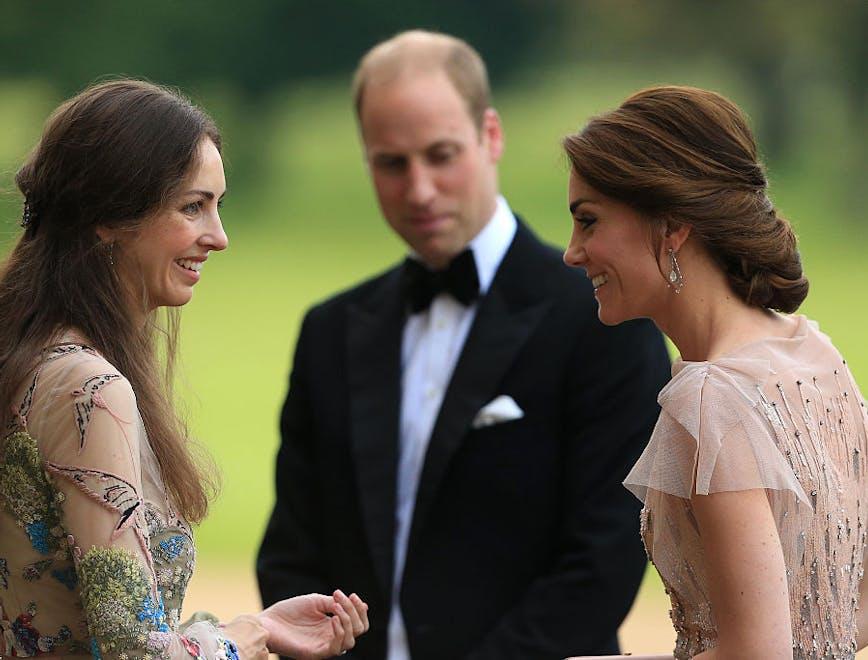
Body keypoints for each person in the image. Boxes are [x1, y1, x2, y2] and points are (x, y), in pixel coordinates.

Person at [256, 30, 671, 660]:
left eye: (441, 154)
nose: (419, 189)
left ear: (491, 136)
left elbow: (604, 559)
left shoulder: (604, 318)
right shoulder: (330, 330)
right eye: (392, 163)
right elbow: (292, 550)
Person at [0, 79, 369, 660]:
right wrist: (245, 638)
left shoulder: (30, 353)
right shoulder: (88, 388)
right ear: (109, 216)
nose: (219, 238)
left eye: (218, 206)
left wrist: (252, 624)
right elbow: (135, 654)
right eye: (192, 206)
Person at [560, 85, 868, 659]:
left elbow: (758, 654)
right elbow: (853, 611)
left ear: (672, 225)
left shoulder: (711, 395)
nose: (572, 252)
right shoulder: (814, 355)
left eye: (589, 222)